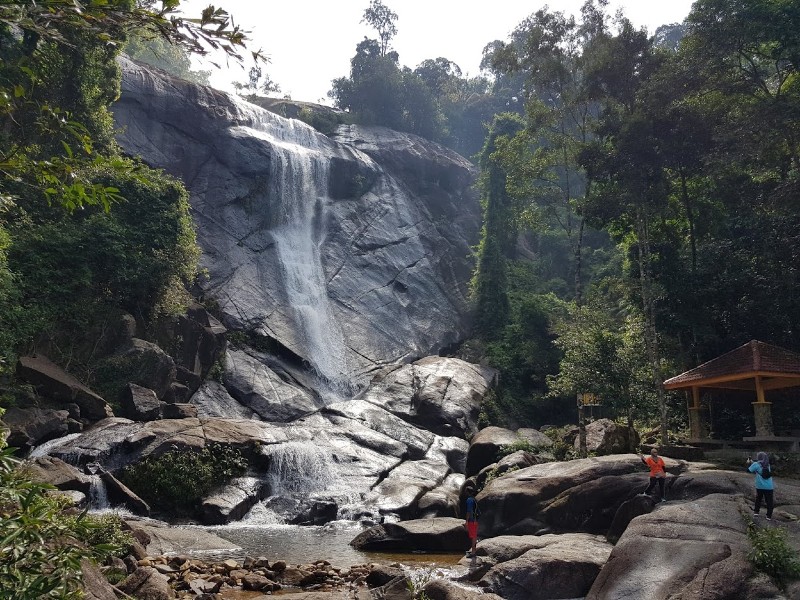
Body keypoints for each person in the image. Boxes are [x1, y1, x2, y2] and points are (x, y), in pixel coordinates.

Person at [747, 451, 774, 520]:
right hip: (769, 486)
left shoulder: (756, 464)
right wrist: (753, 462)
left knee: (758, 499)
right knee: (769, 501)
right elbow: (760, 465)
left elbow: (749, 470)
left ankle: (756, 512)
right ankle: (768, 516)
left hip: (760, 486)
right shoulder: (768, 465)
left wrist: (748, 463)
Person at [464, 487, 479, 557]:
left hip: (472, 520)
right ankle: (474, 551)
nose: (465, 493)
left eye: (465, 491)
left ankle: (473, 552)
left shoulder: (469, 500)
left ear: (468, 492)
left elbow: (469, 511)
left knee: (473, 536)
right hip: (476, 520)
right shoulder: (474, 499)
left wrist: (467, 521)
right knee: (474, 536)